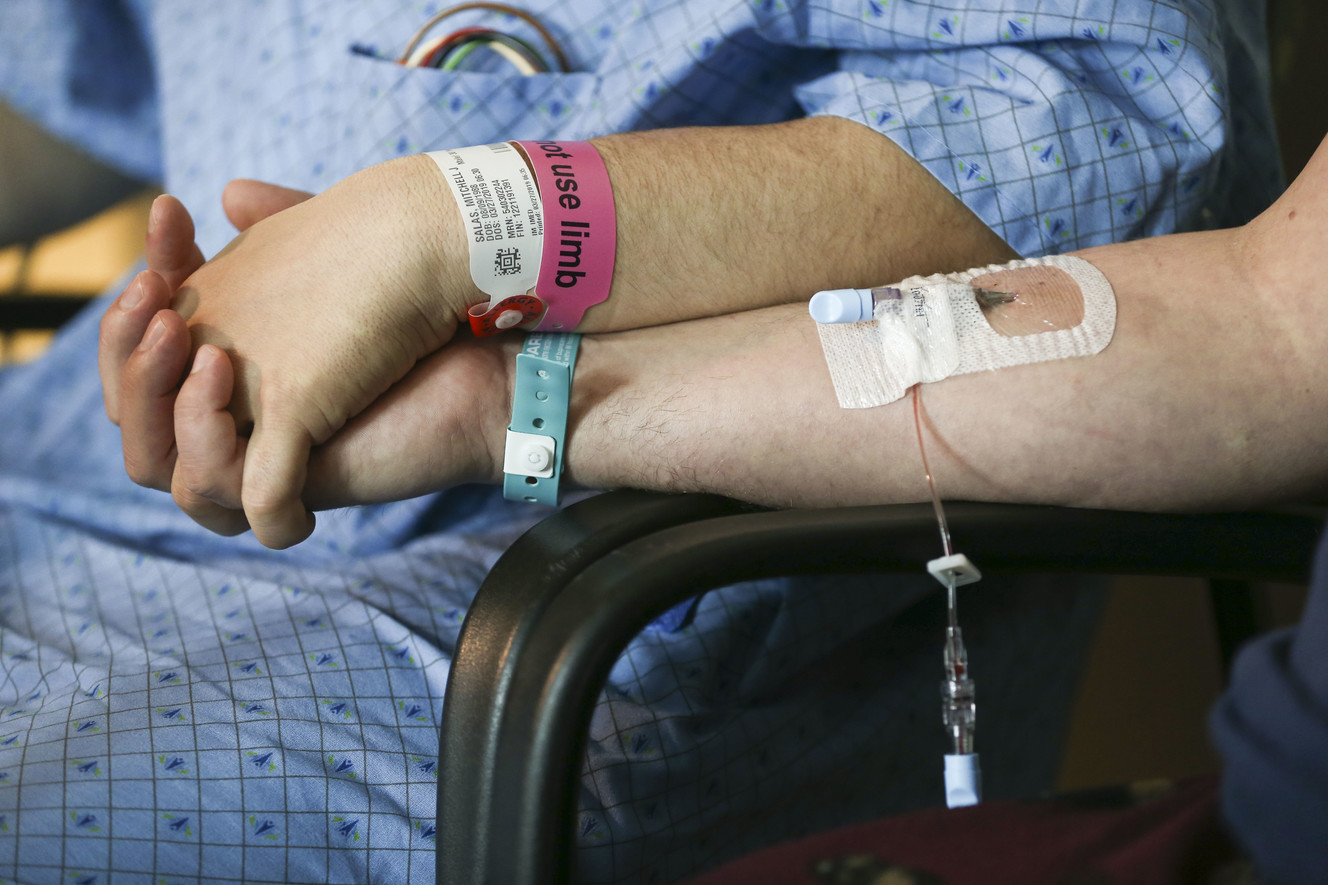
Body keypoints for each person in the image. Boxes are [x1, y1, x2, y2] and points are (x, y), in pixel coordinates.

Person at [0, 1, 1286, 883]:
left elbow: (1101, 142)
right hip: (77, 463)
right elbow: (78, 70)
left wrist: (460, 225)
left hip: (582, 579)